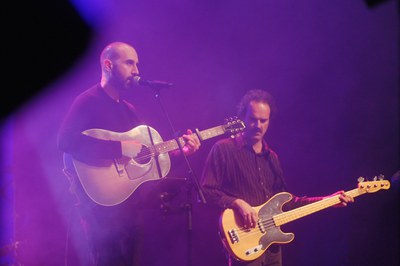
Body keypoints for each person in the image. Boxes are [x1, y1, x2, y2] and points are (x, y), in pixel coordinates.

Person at [57, 41, 201, 265]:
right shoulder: (88, 101)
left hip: (129, 210)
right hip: (98, 212)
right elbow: (65, 141)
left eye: (137, 64)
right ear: (108, 65)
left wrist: (180, 152)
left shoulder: (129, 110)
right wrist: (119, 148)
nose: (136, 71)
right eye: (129, 63)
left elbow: (147, 159)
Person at [199, 89, 354, 266]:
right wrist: (237, 202)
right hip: (244, 243)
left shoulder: (271, 157)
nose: (258, 125)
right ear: (242, 118)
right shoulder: (224, 149)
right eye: (253, 119)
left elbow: (287, 202)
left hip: (272, 246)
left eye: (263, 121)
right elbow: (205, 192)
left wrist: (328, 200)